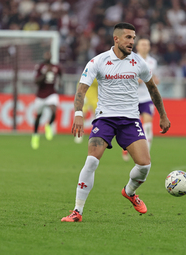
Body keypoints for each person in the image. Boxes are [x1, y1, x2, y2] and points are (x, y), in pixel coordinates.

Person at [61, 23, 170, 222]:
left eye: (134, 38)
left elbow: (153, 89)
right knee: (92, 159)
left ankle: (129, 192)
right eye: (128, 37)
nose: (132, 42)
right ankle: (77, 211)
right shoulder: (98, 61)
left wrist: (162, 115)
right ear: (116, 39)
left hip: (130, 119)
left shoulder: (138, 62)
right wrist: (78, 113)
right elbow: (81, 89)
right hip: (105, 118)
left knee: (145, 165)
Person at [122, 38, 159, 161]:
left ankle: (145, 153)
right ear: (137, 47)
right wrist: (138, 80)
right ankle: (126, 147)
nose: (145, 46)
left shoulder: (153, 62)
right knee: (133, 126)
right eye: (142, 44)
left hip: (147, 98)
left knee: (148, 125)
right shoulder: (131, 59)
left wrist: (155, 80)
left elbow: (153, 77)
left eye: (147, 44)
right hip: (133, 98)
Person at [31, 51, 62, 150]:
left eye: (49, 54)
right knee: (38, 117)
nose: (48, 56)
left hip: (51, 93)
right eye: (46, 54)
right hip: (40, 95)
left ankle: (49, 125)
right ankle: (35, 136)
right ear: (44, 56)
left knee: (53, 110)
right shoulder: (40, 67)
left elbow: (61, 74)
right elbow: (36, 81)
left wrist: (60, 82)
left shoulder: (56, 67)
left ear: (51, 56)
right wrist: (45, 74)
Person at [74, 79, 98, 144]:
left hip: (95, 97)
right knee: (83, 115)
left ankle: (98, 134)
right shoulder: (88, 72)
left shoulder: (100, 73)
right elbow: (80, 85)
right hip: (86, 95)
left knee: (98, 116)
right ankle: (78, 134)